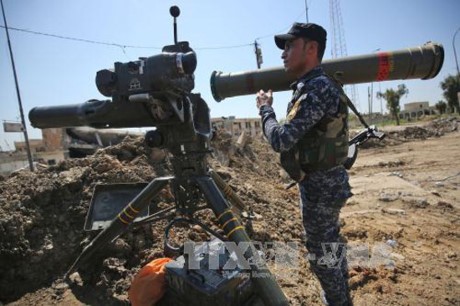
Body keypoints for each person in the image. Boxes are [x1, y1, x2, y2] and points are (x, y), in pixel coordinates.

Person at [256, 22, 353, 306]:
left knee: (322, 257)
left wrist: (265, 110)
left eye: (289, 46)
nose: (283, 54)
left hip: (322, 189)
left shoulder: (316, 89)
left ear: (311, 49)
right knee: (329, 248)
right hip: (322, 186)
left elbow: (282, 139)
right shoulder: (312, 86)